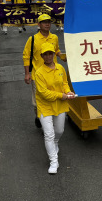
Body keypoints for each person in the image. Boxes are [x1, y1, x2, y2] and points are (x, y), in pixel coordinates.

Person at [34, 43, 75, 174]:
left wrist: (68, 92)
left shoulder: (60, 68)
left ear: (53, 54)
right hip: (45, 106)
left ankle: (56, 143)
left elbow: (65, 83)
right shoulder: (39, 73)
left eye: (50, 53)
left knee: (59, 130)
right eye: (45, 54)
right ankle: (54, 161)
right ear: (42, 56)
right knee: (49, 134)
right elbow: (43, 93)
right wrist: (61, 95)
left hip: (60, 105)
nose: (48, 56)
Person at [23, 14, 64, 128]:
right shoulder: (32, 39)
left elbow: (56, 50)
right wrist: (27, 73)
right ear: (39, 24)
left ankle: (49, 121)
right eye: (44, 22)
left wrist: (62, 55)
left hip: (54, 74)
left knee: (53, 97)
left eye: (49, 22)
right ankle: (40, 117)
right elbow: (26, 56)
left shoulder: (54, 37)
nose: (47, 24)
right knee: (39, 101)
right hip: (38, 76)